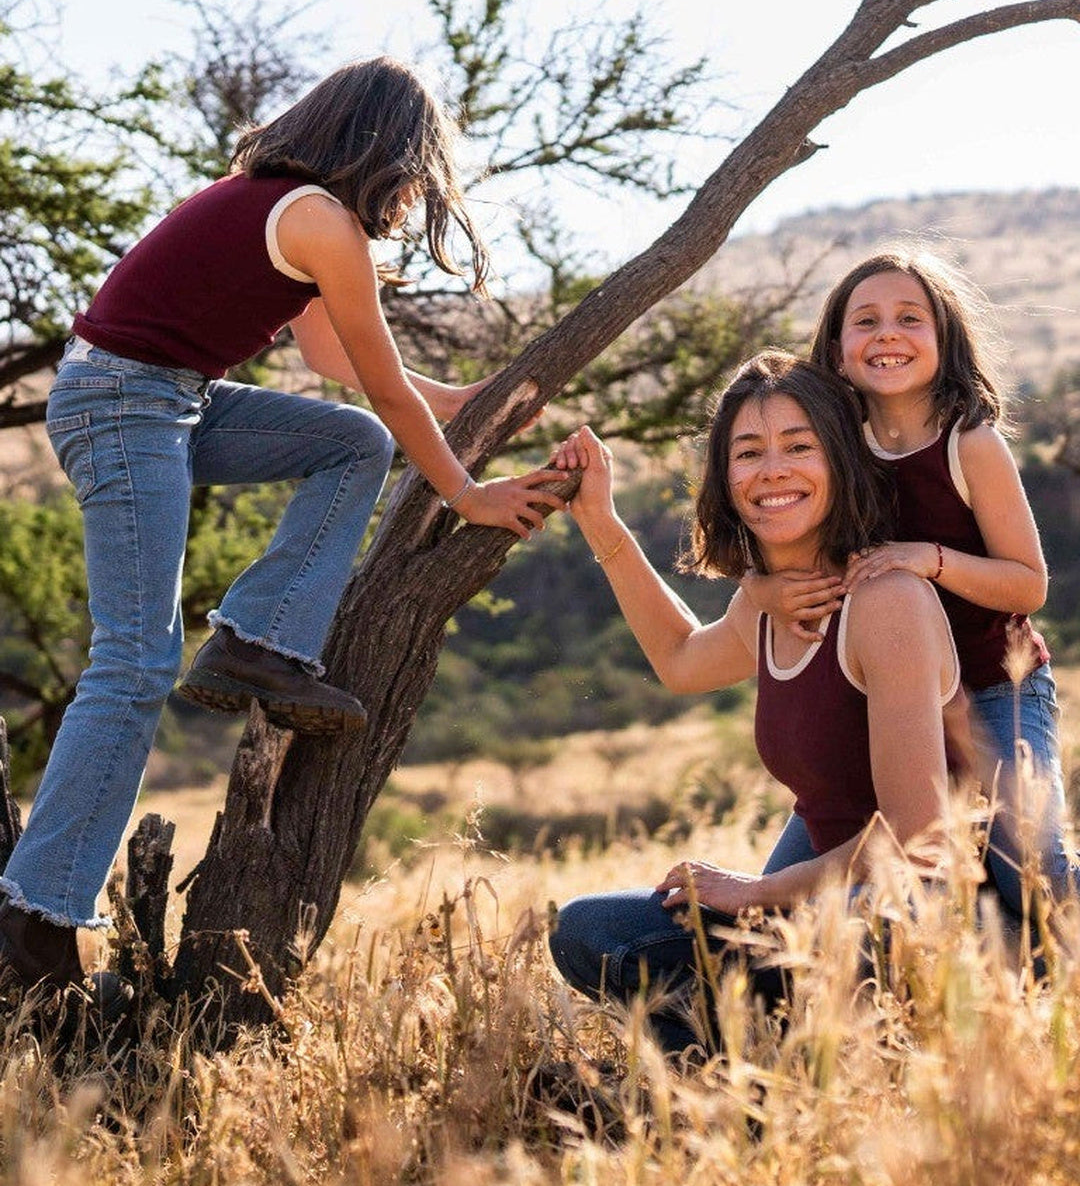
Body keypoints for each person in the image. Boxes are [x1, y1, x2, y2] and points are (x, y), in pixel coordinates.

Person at [0, 56, 563, 1006]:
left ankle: (256, 645)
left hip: (164, 395)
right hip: (122, 401)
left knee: (352, 443)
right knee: (135, 661)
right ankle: (32, 921)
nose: (418, 189)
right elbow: (378, 372)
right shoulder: (316, 218)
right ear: (389, 149)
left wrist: (464, 402)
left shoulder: (280, 209)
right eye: (420, 168)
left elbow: (333, 356)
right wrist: (466, 491)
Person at [547, 351, 964, 1056]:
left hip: (911, 913)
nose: (772, 470)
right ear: (725, 477)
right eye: (748, 453)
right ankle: (728, 1074)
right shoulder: (765, 605)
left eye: (799, 447)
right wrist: (600, 520)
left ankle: (767, 1058)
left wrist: (754, 894)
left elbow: (914, 837)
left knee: (867, 927)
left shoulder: (886, 600)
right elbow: (680, 659)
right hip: (808, 911)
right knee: (589, 931)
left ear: (841, 459)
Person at [751, 247, 1062, 915]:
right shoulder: (833, 449)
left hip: (994, 689)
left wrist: (931, 558)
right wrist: (764, 594)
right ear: (837, 352)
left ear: (943, 340)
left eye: (909, 318)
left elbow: (1028, 585)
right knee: (788, 902)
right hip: (892, 703)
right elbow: (782, 555)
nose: (887, 334)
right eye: (865, 320)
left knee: (1033, 867)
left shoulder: (969, 443)